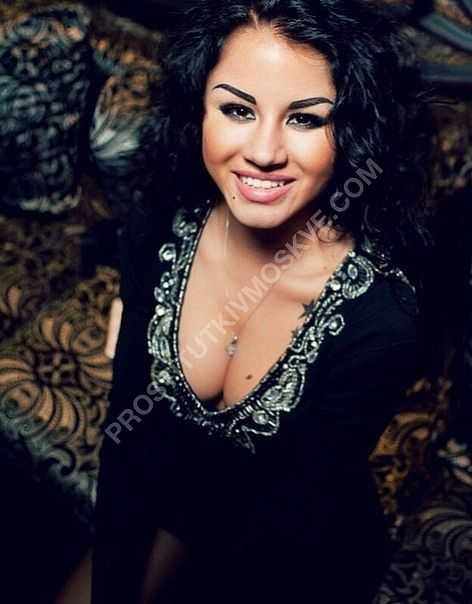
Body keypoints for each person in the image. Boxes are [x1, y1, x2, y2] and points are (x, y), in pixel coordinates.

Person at [90, 1, 435, 602]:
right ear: (198, 107)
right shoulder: (157, 225)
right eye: (238, 109)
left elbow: (289, 528)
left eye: (305, 119)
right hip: (176, 499)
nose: (265, 151)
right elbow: (127, 439)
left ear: (352, 131)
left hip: (293, 562)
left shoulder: (381, 318)